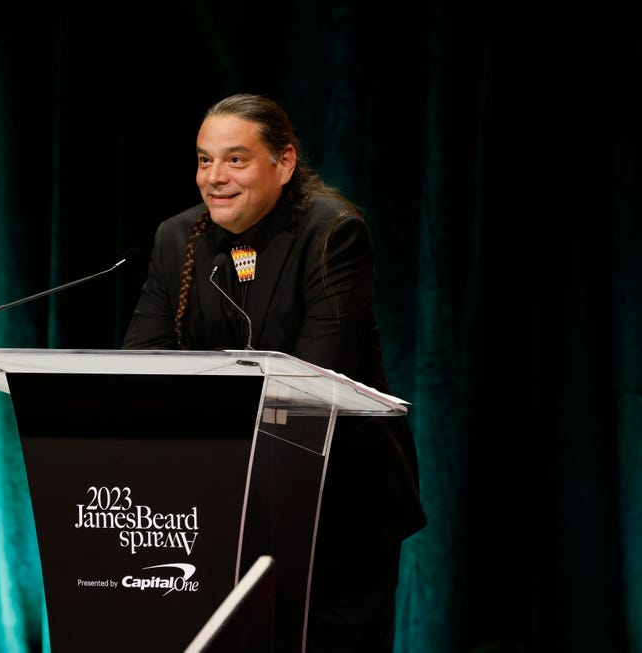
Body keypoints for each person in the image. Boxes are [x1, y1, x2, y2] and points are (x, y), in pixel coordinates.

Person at [121, 92, 426, 652]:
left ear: (283, 163)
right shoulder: (176, 238)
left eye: (235, 159)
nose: (215, 177)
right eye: (204, 159)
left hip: (339, 512)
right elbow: (143, 363)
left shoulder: (331, 232)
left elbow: (314, 382)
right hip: (218, 509)